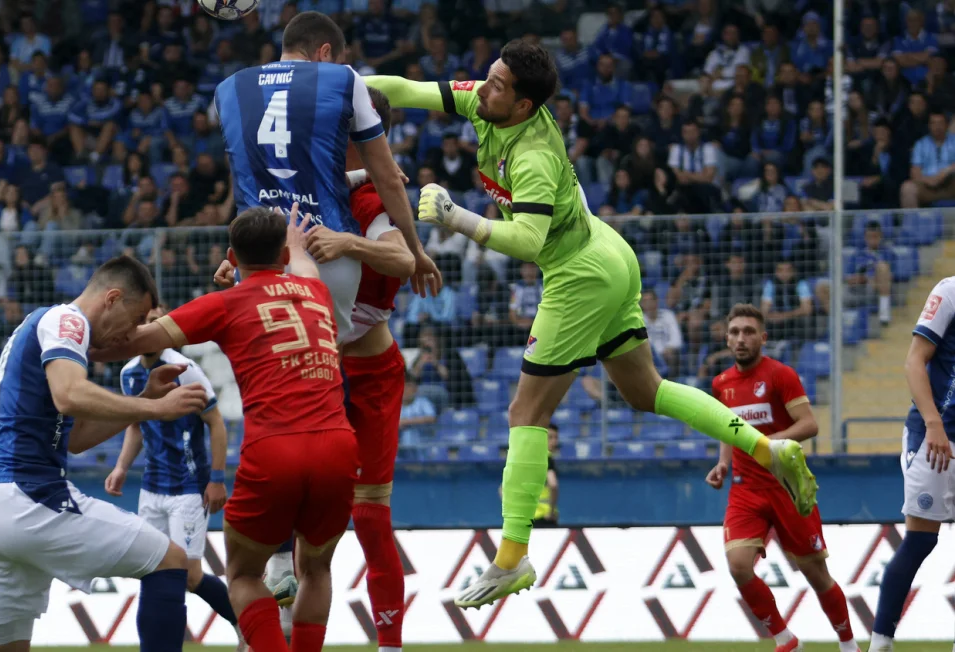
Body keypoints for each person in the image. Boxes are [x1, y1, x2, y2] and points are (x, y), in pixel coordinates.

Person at [366, 38, 818, 608]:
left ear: (524, 105)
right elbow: (404, 90)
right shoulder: (488, 101)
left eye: (498, 84)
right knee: (647, 392)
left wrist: (457, 218)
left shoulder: (532, 155)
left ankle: (512, 556)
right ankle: (768, 450)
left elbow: (528, 243)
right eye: (489, 75)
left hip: (578, 275)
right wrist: (339, 86)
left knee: (525, 412)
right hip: (607, 253)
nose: (484, 87)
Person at [97, 205, 358, 652]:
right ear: (282, 254)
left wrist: (81, 334)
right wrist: (295, 242)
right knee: (316, 570)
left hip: (274, 450)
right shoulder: (314, 290)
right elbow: (304, 263)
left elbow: (131, 342)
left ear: (232, 258)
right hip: (337, 444)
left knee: (243, 576)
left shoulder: (223, 304)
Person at [215, 88, 416, 650]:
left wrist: (347, 241)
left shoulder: (372, 198)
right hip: (308, 368)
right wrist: (233, 268)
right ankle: (276, 604)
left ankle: (390, 644)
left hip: (365, 371)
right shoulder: (296, 193)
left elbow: (402, 257)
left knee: (368, 519)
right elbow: (255, 255)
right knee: (286, 501)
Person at [0, 257, 209, 652]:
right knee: (171, 560)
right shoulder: (67, 321)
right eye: (136, 319)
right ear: (112, 298)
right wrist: (157, 408)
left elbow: (75, 439)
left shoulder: (48, 332)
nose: (133, 334)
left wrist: (145, 400)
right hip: (27, 497)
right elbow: (70, 394)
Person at [213, 10, 437, 347]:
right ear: (325, 52)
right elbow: (388, 177)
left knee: (269, 370)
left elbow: (254, 177)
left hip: (256, 258)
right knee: (320, 367)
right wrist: (416, 251)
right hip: (325, 253)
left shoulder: (228, 89)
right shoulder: (344, 79)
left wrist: (236, 257)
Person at [707, 304, 857, 652]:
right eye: (735, 332)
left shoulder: (780, 375)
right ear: (726, 339)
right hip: (746, 489)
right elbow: (728, 429)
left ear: (763, 337)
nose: (741, 339)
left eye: (748, 332)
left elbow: (809, 425)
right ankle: (785, 640)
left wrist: (766, 443)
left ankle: (849, 645)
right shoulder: (721, 384)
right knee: (739, 566)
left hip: (787, 487)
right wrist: (723, 463)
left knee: (816, 575)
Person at [105, 307, 241, 645]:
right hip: (151, 488)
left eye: (155, 322)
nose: (148, 328)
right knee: (153, 570)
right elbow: (136, 424)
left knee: (190, 576)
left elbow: (216, 423)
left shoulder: (185, 369)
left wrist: (217, 479)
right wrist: (121, 467)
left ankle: (245, 623)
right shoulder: (129, 373)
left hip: (188, 487)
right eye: (142, 322)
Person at [868, 277, 955, 652]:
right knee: (920, 540)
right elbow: (914, 360)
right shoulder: (949, 291)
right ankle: (880, 641)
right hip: (935, 437)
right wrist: (934, 423)